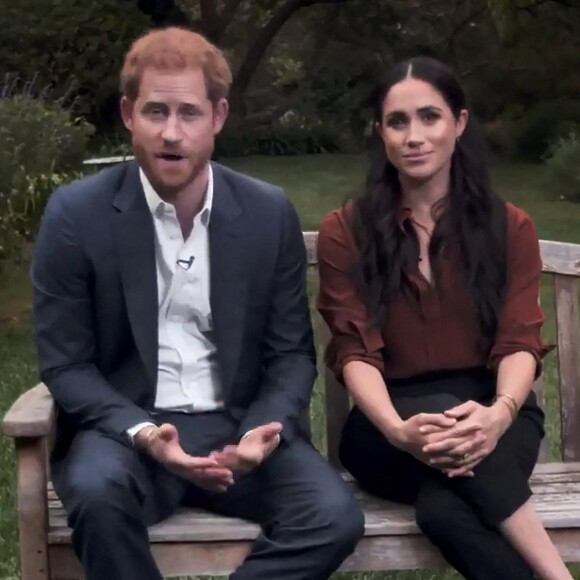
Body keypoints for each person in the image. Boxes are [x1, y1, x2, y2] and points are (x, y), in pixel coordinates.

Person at [31, 27, 364, 580]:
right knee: (94, 491)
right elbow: (65, 363)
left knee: (331, 517)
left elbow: (291, 355)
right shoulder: (75, 215)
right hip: (129, 431)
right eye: (155, 111)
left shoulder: (266, 213)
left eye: (188, 113)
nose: (170, 132)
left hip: (239, 426)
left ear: (218, 116)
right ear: (128, 114)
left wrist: (263, 432)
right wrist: (144, 435)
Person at [317, 56, 572, 580]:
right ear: (380, 134)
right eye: (397, 122)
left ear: (459, 123)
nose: (414, 136)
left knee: (445, 511)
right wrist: (395, 429)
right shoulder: (347, 230)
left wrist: (498, 415)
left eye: (430, 117)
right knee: (437, 410)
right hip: (387, 426)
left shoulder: (508, 227)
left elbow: (519, 340)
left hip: (496, 413)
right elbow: (354, 349)